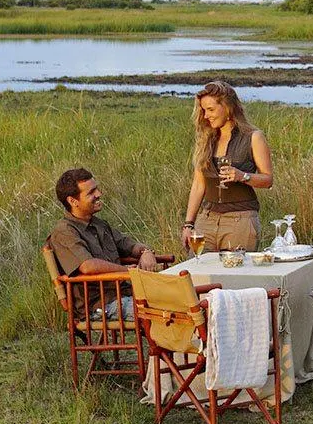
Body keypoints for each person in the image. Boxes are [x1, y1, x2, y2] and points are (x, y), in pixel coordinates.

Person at [48, 168, 159, 320]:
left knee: (179, 299)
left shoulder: (99, 224)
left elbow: (130, 245)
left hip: (126, 292)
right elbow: (88, 266)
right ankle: (166, 342)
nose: (99, 194)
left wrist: (146, 252)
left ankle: (178, 342)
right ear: (73, 201)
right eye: (91, 192)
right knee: (161, 311)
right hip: (100, 304)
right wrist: (127, 272)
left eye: (97, 189)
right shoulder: (64, 232)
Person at [181, 80, 274, 252]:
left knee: (236, 276)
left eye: (210, 109)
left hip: (240, 221)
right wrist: (188, 224)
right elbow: (198, 185)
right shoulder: (205, 140)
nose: (206, 115)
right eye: (203, 110)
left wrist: (243, 176)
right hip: (206, 221)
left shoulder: (253, 137)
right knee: (199, 275)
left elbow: (268, 180)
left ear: (227, 107)